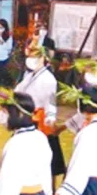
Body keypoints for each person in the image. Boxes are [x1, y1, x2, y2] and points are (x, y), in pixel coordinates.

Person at [15, 44, 65, 179]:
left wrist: (50, 117)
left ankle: (50, 188)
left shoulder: (49, 79)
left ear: (43, 58)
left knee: (49, 158)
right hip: (28, 116)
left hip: (41, 119)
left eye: (35, 57)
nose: (31, 59)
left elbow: (51, 101)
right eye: (29, 57)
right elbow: (19, 90)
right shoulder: (30, 75)